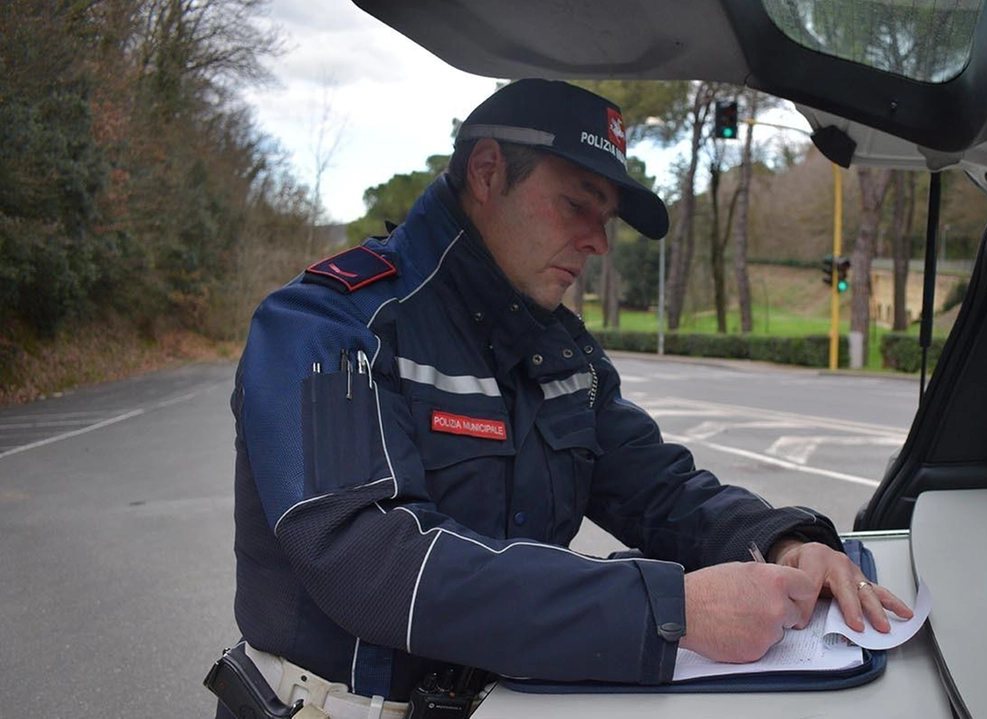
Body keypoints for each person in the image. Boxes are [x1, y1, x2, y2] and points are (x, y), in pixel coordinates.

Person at [218, 79, 911, 718]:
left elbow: (659, 489)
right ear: (488, 172)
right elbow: (368, 558)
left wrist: (783, 540)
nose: (599, 243)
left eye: (606, 217)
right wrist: (669, 609)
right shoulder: (330, 326)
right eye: (579, 202)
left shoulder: (560, 350)